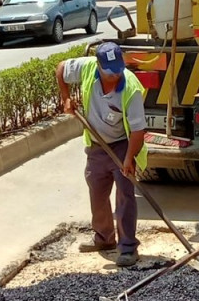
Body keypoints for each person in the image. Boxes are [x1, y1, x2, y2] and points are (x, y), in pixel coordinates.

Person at [57, 41, 147, 269]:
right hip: (97, 145)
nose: (114, 76)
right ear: (98, 65)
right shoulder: (87, 68)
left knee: (125, 195)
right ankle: (104, 239)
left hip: (122, 145)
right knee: (97, 192)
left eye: (118, 70)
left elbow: (138, 130)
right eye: (109, 72)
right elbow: (60, 68)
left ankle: (128, 248)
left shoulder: (131, 88)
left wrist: (129, 159)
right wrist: (65, 98)